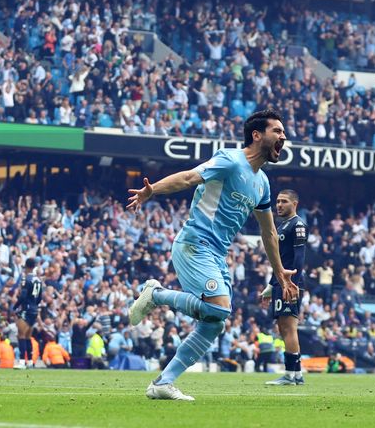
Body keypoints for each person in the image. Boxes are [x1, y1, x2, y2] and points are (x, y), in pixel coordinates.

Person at [127, 109, 298, 400]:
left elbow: (269, 233)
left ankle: (162, 383)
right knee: (219, 309)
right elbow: (190, 177)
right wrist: (152, 191)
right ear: (257, 135)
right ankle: (155, 295)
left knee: (215, 321)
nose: (284, 136)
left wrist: (280, 272)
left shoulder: (263, 183)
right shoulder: (230, 160)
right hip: (194, 243)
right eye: (277, 131)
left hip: (217, 254)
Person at [263, 189, 308, 385]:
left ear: (294, 204)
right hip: (281, 282)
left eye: (284, 202)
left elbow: (299, 257)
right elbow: (280, 260)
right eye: (278, 201)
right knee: (285, 327)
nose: (279, 205)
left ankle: (290, 374)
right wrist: (271, 285)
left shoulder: (297, 224)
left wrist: (292, 283)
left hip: (289, 283)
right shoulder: (283, 225)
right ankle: (296, 374)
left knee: (288, 327)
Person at [12, 258, 43, 369]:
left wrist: (15, 307)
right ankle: (29, 361)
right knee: (28, 336)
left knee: (21, 335)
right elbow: (40, 298)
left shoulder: (26, 279)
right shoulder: (38, 280)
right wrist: (34, 305)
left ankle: (21, 361)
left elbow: (23, 296)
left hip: (26, 309)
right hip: (34, 310)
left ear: (26, 266)